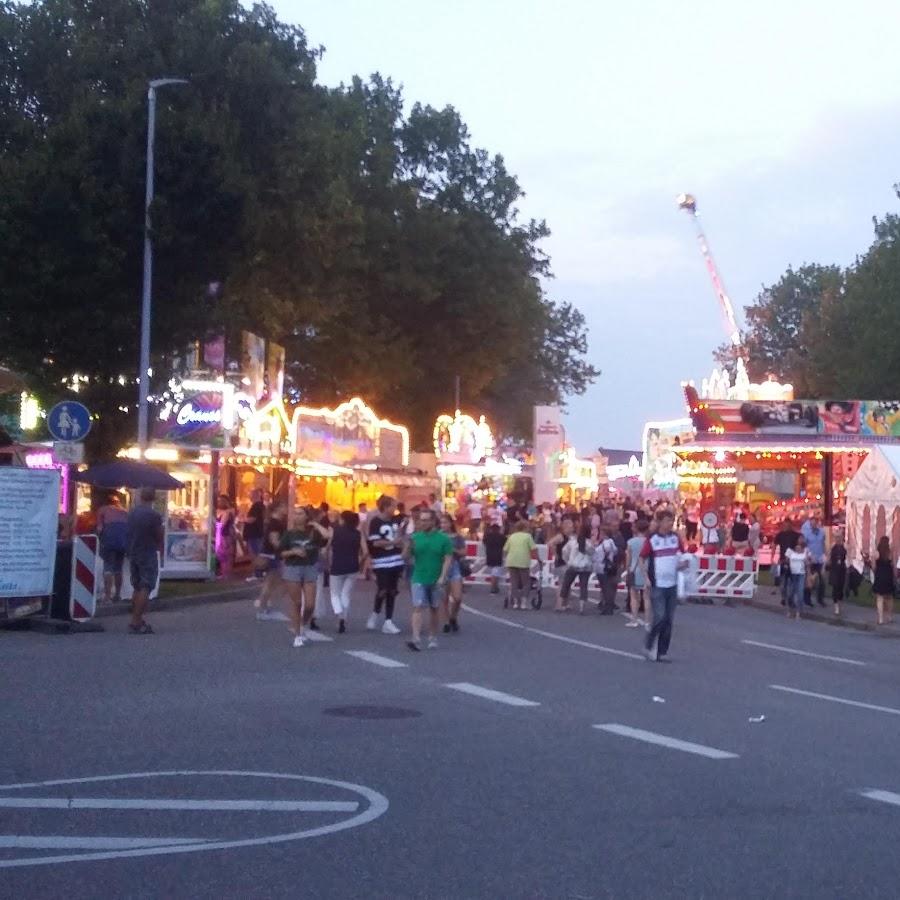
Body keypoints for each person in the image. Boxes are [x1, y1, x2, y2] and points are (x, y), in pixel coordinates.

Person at [279, 507, 331, 647]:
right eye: (295, 514)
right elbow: (281, 553)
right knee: (297, 603)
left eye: (300, 513)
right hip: (293, 568)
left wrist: (315, 524)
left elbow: (327, 536)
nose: (297, 516)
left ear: (307, 516)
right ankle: (297, 635)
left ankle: (303, 624)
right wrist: (293, 551)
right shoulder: (289, 534)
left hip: (310, 567)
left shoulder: (313, 533)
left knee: (310, 605)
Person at [640, 511, 688, 662]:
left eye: (671, 521)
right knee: (659, 617)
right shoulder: (652, 539)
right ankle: (649, 643)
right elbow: (642, 558)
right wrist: (646, 577)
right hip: (658, 584)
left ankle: (662, 651)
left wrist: (683, 564)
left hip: (672, 584)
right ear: (659, 522)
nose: (669, 524)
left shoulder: (675, 538)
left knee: (668, 619)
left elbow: (682, 555)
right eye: (667, 521)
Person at [405, 509, 453, 651]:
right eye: (421, 520)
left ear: (433, 521)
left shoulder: (443, 539)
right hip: (419, 577)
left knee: (434, 608)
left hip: (436, 578)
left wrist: (442, 576)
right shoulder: (415, 537)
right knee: (418, 606)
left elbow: (448, 559)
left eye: (426, 520)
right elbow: (406, 557)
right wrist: (408, 546)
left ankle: (432, 636)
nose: (423, 523)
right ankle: (416, 638)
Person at [126, 487, 163, 635]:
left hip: (133, 551)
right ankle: (136, 620)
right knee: (146, 586)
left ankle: (135, 619)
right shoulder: (154, 515)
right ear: (153, 498)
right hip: (147, 551)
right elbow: (159, 534)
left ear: (141, 497)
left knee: (136, 586)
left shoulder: (132, 513)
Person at [366, 495, 405, 634]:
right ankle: (375, 613)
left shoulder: (396, 521)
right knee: (382, 588)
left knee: (392, 590)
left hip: (396, 558)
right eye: (393, 506)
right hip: (381, 560)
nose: (395, 509)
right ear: (385, 507)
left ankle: (388, 620)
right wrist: (393, 542)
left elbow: (401, 537)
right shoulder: (375, 522)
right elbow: (375, 542)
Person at [329, 511, 368, 633]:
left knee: (335, 594)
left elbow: (329, 548)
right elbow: (365, 551)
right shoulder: (358, 534)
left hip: (337, 565)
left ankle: (339, 613)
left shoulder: (335, 532)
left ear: (343, 520)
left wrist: (329, 562)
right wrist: (361, 562)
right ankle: (343, 619)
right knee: (346, 594)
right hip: (353, 566)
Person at [254, 504, 286, 620]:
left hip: (271, 554)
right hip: (272, 555)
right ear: (277, 509)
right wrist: (285, 549)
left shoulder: (273, 522)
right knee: (270, 583)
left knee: (272, 583)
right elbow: (274, 541)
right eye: (283, 507)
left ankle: (266, 606)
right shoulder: (275, 524)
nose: (285, 509)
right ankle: (262, 608)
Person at [96, 492, 128, 603]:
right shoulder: (124, 511)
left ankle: (107, 596)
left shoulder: (102, 510)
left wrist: (98, 538)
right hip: (122, 542)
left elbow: (100, 528)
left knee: (108, 568)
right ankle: (118, 595)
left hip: (109, 540)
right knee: (118, 568)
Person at [440, 514, 466, 632]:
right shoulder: (437, 536)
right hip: (440, 567)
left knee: (457, 597)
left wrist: (452, 549)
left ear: (451, 523)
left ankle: (453, 617)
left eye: (445, 522)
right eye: (441, 523)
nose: (443, 525)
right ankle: (446, 622)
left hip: (454, 566)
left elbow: (463, 552)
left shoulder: (458, 537)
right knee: (443, 598)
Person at [559, 526, 594, 615]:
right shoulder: (589, 543)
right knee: (583, 586)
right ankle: (582, 607)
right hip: (586, 567)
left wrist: (568, 561)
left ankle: (562, 604)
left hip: (573, 565)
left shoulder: (572, 542)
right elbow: (593, 554)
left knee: (566, 584)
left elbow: (564, 551)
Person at [625, 519, 650, 628]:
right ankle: (647, 621)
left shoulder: (631, 542)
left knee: (634, 597)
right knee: (647, 598)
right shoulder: (649, 542)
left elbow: (628, 558)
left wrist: (627, 570)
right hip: (646, 569)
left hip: (634, 571)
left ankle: (634, 620)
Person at [550, 518, 575, 611]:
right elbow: (550, 543)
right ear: (565, 527)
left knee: (568, 583)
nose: (572, 528)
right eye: (571, 527)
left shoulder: (571, 537)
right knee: (562, 583)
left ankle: (566, 603)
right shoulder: (561, 536)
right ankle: (559, 604)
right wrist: (555, 554)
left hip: (569, 562)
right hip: (561, 562)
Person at [801, 514, 827, 607]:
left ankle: (820, 599)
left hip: (820, 559)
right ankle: (807, 599)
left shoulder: (822, 532)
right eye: (811, 524)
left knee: (822, 580)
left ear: (817, 523)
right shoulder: (807, 534)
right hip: (810, 560)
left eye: (815, 523)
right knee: (809, 581)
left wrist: (825, 555)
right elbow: (804, 546)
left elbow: (823, 544)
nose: (813, 525)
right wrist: (806, 557)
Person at [241, 489, 267, 581]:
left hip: (254, 535)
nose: (249, 497)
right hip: (258, 534)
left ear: (255, 496)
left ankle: (257, 573)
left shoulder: (256, 506)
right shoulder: (262, 506)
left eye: (251, 495)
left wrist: (243, 519)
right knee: (258, 553)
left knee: (255, 554)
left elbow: (252, 519)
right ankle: (260, 572)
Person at [594, 526, 620, 615]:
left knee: (605, 588)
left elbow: (605, 551)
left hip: (602, 567)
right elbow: (615, 551)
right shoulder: (611, 542)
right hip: (608, 566)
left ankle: (607, 607)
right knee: (607, 587)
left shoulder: (605, 543)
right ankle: (608, 606)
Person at [784, 534, 810, 621]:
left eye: (802, 539)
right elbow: (786, 561)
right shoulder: (790, 551)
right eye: (800, 539)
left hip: (801, 574)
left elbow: (808, 563)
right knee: (791, 593)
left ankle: (798, 612)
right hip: (792, 575)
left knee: (800, 593)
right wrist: (786, 566)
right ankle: (790, 609)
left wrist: (808, 575)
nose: (801, 540)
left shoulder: (805, 551)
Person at [774, 519, 798, 606]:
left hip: (793, 561)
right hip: (783, 560)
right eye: (785, 525)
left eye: (788, 524)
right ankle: (784, 597)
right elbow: (774, 544)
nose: (786, 526)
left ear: (791, 525)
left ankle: (790, 598)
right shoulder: (780, 535)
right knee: (783, 581)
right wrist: (772, 557)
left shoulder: (796, 535)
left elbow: (799, 546)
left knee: (792, 581)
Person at [872, 535, 895, 626]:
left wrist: (875, 572)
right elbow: (893, 564)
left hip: (880, 575)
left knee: (880, 597)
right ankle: (889, 616)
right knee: (889, 597)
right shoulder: (890, 552)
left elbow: (873, 566)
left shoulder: (876, 553)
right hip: (888, 575)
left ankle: (881, 618)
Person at [215, 495, 236, 579]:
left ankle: (226, 573)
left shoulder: (227, 512)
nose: (218, 502)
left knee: (225, 554)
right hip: (221, 534)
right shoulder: (218, 511)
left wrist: (215, 524)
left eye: (220, 501)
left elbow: (222, 524)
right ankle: (224, 573)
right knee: (221, 554)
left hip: (225, 535)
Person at [482, 523, 506, 595]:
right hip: (498, 555)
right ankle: (493, 587)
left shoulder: (487, 536)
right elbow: (505, 544)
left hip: (489, 555)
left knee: (493, 572)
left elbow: (484, 542)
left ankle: (495, 587)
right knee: (496, 573)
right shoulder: (502, 537)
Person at [829, 530, 847, 618]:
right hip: (834, 569)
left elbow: (849, 556)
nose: (837, 539)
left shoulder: (845, 546)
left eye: (839, 537)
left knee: (840, 587)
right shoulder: (832, 546)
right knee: (835, 587)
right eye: (836, 537)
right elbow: (829, 556)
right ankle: (836, 606)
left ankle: (840, 603)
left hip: (842, 569)